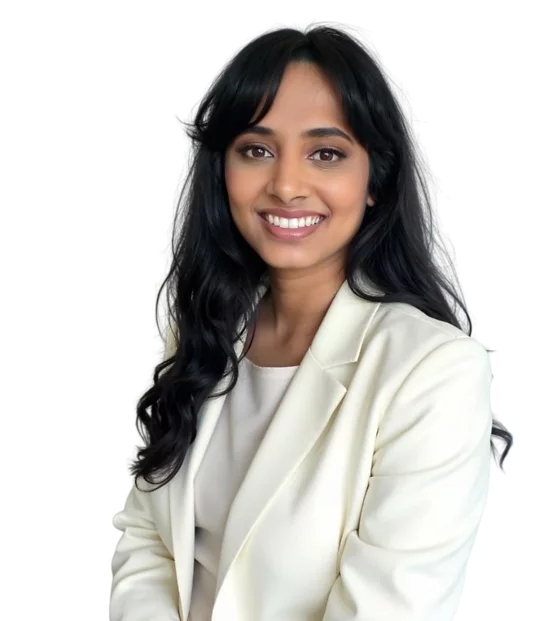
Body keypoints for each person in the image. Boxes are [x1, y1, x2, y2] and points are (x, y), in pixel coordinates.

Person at [112, 22, 506, 621]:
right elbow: (143, 541)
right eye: (257, 149)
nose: (287, 185)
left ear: (375, 179)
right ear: (224, 170)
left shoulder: (433, 371)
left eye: (326, 153)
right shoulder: (198, 328)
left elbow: (391, 609)